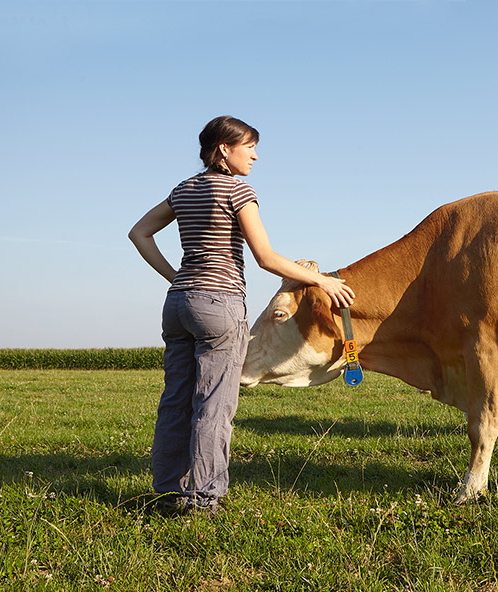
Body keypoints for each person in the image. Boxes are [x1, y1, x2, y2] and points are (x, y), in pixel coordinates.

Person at [128, 115, 354, 516]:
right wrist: (323, 281)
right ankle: (203, 499)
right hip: (218, 304)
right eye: (248, 146)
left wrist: (175, 276)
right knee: (214, 404)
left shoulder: (183, 190)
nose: (255, 154)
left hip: (178, 304)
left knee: (175, 401)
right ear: (223, 151)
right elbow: (266, 258)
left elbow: (139, 233)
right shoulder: (236, 188)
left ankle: (166, 492)